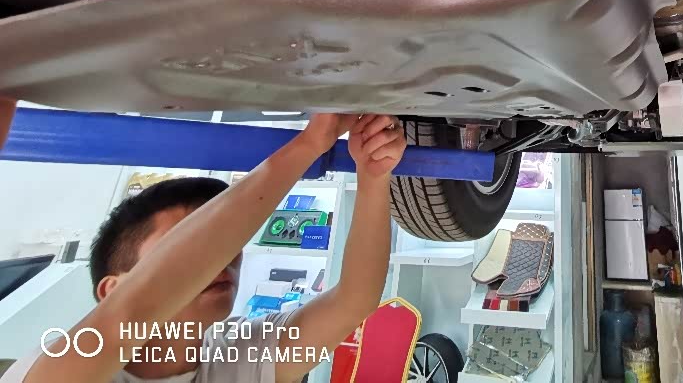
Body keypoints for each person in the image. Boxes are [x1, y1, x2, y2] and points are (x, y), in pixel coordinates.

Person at [2, 112, 406, 383]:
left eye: (228, 244)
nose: (223, 257)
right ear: (112, 288)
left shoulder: (236, 356)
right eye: (186, 241)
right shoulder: (65, 365)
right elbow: (130, 312)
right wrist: (308, 144)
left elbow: (354, 300)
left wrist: (373, 177)